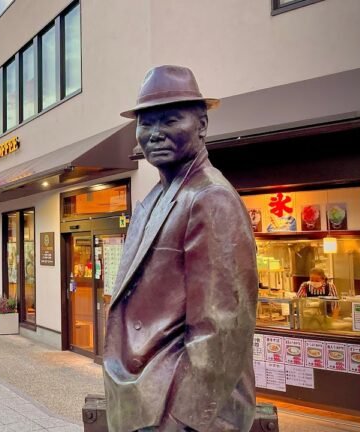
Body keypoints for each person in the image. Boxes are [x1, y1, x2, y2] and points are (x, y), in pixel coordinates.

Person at [103, 65, 258, 431]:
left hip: (179, 411)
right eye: (146, 124)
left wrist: (182, 421)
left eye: (170, 120)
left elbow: (222, 330)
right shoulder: (157, 197)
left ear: (201, 124)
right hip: (146, 398)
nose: (154, 134)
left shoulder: (211, 198)